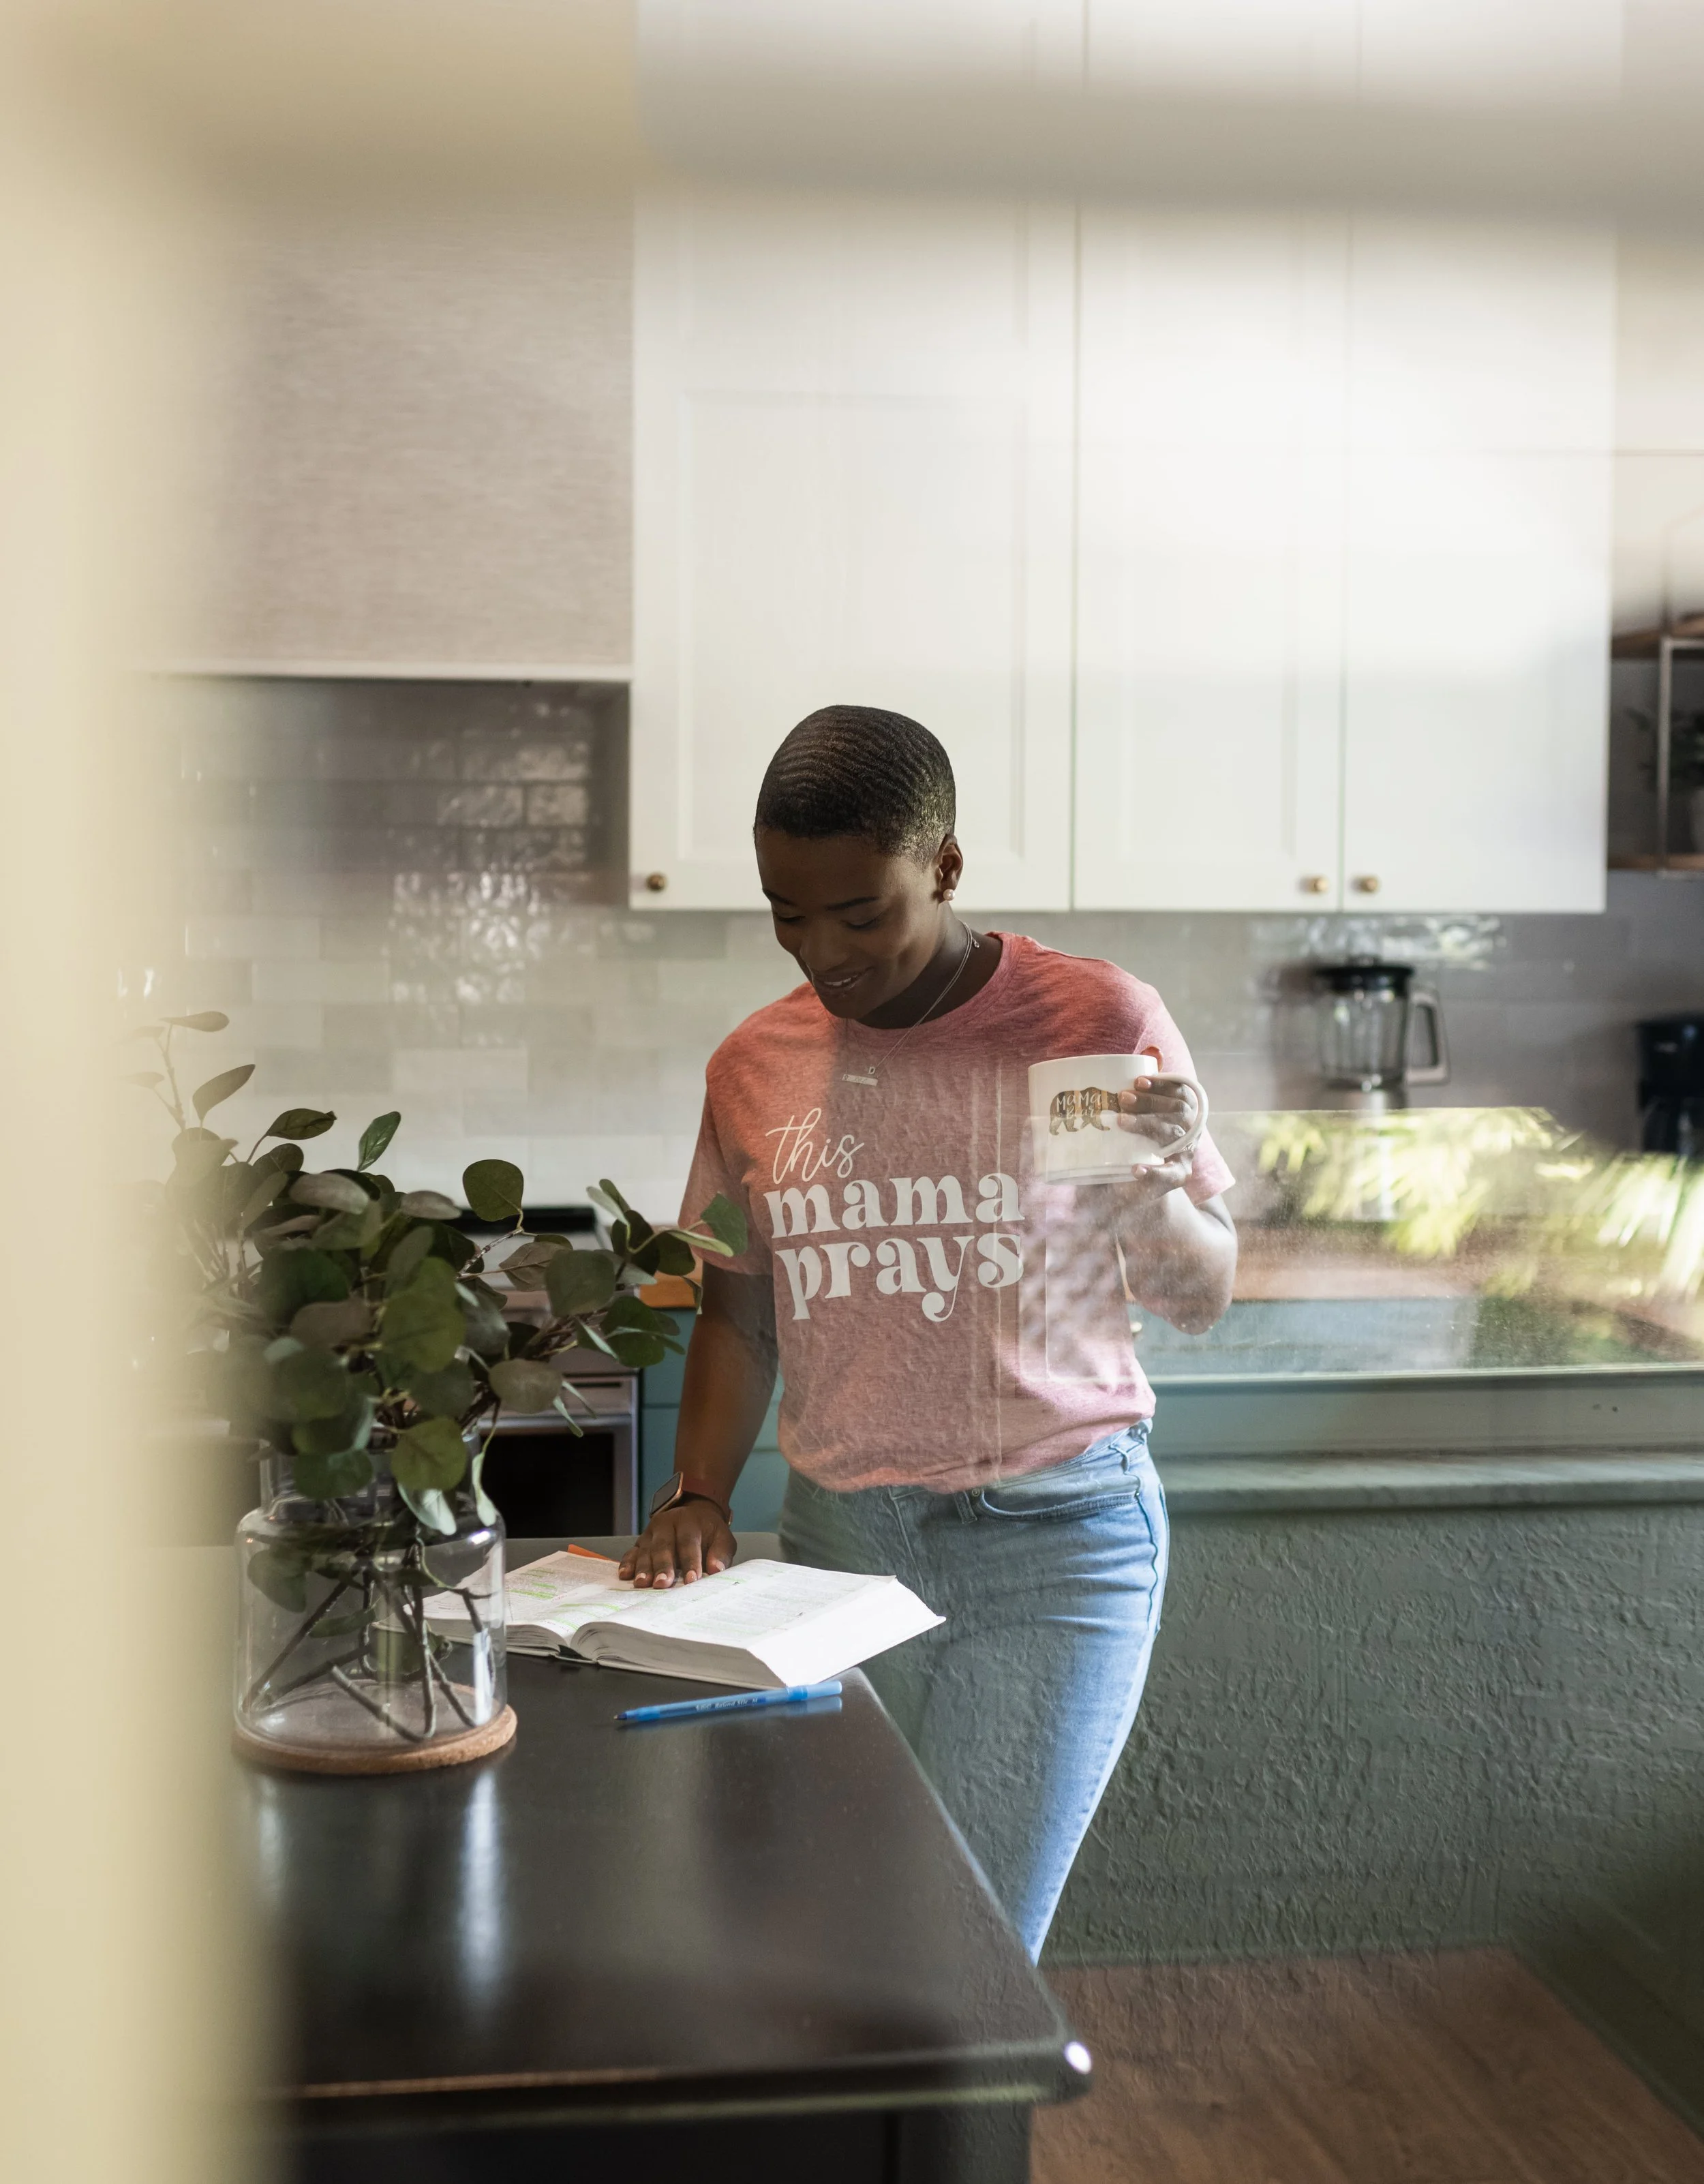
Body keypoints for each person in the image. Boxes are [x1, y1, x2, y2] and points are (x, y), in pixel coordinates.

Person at [619, 704, 1236, 1959]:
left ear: (944, 866)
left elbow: (1195, 1298)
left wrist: (1159, 1188)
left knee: (972, 1951)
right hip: (841, 1543)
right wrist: (698, 1491)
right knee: (852, 1929)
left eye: (860, 914)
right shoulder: (757, 1065)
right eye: (787, 914)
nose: (822, 952)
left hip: (1057, 1543)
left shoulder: (1086, 1027)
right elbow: (742, 1311)